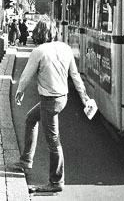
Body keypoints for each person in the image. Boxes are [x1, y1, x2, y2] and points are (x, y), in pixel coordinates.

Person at [14, 15, 90, 194]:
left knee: (53, 142)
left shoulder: (39, 51)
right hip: (62, 98)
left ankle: (56, 181)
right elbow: (75, 75)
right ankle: (26, 160)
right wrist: (84, 96)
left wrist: (20, 91)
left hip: (50, 100)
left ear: (39, 32)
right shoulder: (64, 48)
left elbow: (26, 75)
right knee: (31, 118)